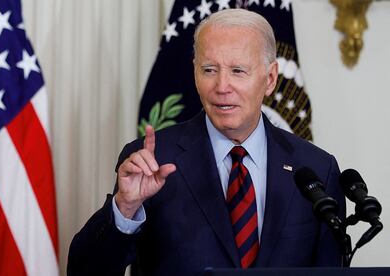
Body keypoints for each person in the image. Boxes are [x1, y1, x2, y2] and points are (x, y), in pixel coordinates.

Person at [67, 8, 345, 276]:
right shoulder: (152, 160)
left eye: (238, 71)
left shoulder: (317, 169)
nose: (222, 86)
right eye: (209, 70)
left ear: (270, 78)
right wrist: (124, 209)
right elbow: (85, 272)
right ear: (195, 72)